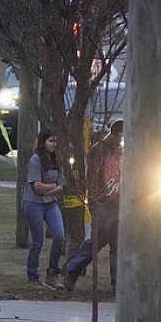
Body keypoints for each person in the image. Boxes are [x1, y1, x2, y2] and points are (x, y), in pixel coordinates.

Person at [63, 119, 123, 291]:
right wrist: (96, 202)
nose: (122, 141)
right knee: (97, 241)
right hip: (102, 203)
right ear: (116, 133)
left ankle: (117, 283)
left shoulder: (119, 151)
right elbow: (92, 179)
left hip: (118, 201)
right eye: (122, 137)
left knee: (117, 243)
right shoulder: (99, 150)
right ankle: (72, 270)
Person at [23, 129, 66, 289]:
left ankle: (52, 274)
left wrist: (51, 188)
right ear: (43, 142)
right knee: (37, 241)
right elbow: (37, 187)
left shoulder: (57, 159)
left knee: (59, 236)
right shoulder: (36, 159)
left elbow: (61, 185)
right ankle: (32, 276)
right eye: (50, 141)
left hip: (50, 203)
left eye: (55, 141)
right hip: (33, 203)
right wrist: (53, 186)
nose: (54, 144)